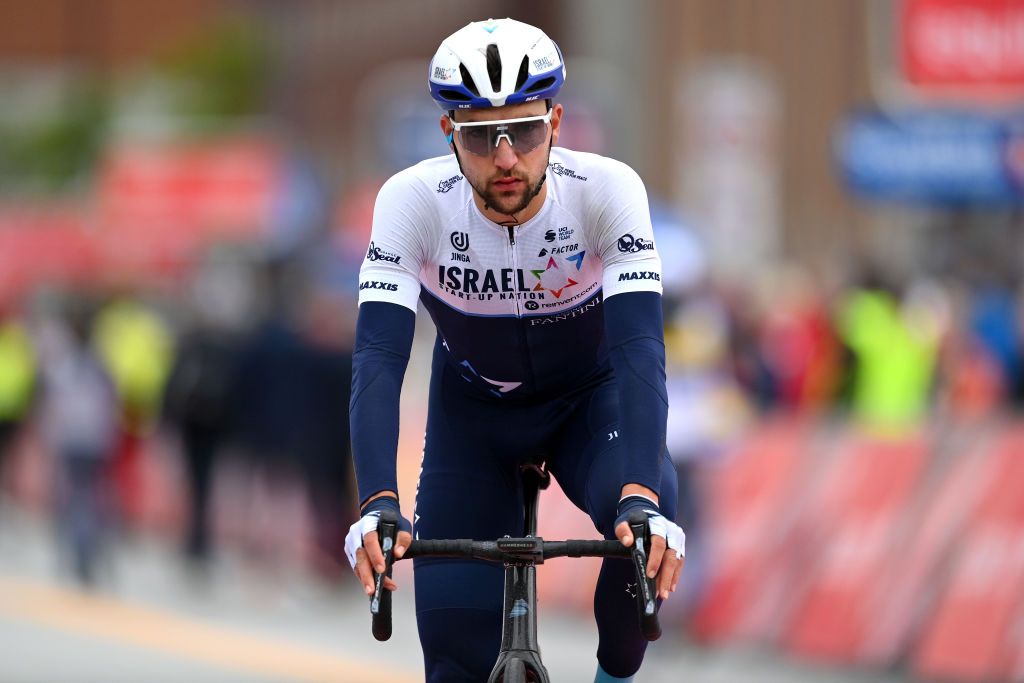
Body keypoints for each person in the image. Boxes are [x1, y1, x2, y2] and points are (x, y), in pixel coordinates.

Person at [344, 18, 685, 682]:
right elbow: (378, 359)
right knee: (453, 660)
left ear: (555, 122)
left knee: (644, 533)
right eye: (480, 136)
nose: (505, 158)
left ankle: (612, 673)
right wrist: (377, 501)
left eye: (524, 131)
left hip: (591, 401)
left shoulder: (607, 191)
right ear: (449, 134)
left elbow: (642, 345)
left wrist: (641, 497)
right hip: (474, 413)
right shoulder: (412, 202)